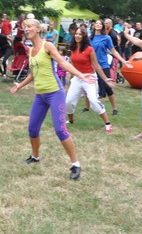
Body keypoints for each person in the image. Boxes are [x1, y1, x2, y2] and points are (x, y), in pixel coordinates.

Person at [10, 18, 96, 180]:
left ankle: (75, 164)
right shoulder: (30, 50)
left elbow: (63, 63)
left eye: (29, 26)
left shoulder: (47, 46)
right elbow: (32, 74)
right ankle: (35, 156)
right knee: (32, 129)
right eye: (24, 27)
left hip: (55, 93)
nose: (26, 29)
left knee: (60, 130)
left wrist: (80, 75)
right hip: (40, 95)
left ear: (37, 29)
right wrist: (19, 86)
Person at [65, 27, 114, 132]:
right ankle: (71, 120)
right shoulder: (72, 48)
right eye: (76, 34)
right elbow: (72, 64)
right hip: (78, 78)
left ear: (84, 36)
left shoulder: (89, 49)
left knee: (93, 101)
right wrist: (72, 77)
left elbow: (97, 66)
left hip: (90, 78)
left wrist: (106, 79)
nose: (77, 36)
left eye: (80, 34)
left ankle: (107, 123)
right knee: (68, 101)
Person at [89, 19, 132, 115]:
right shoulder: (90, 38)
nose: (97, 24)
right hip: (92, 65)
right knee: (88, 85)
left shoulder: (106, 38)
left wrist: (123, 61)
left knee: (107, 87)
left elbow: (114, 51)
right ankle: (87, 107)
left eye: (100, 23)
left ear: (103, 26)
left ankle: (114, 108)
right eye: (96, 23)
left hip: (103, 64)